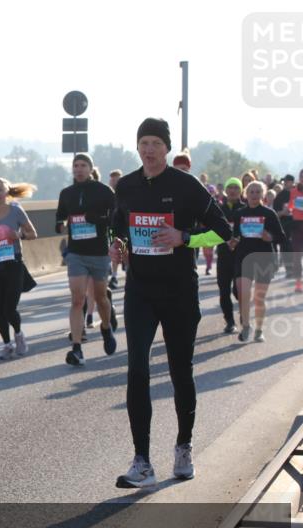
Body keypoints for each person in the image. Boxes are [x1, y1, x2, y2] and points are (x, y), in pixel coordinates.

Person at [109, 118, 231, 489]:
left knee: (180, 370)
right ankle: (142, 460)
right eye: (143, 143)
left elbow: (223, 231)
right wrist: (118, 244)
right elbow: (117, 227)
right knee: (137, 371)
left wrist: (184, 237)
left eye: (155, 143)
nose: (149, 150)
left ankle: (183, 446)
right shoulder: (127, 186)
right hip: (140, 291)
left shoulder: (186, 185)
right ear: (138, 147)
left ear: (166, 147)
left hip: (179, 290)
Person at [56, 153, 117, 366]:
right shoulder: (67, 193)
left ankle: (106, 328)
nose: (79, 169)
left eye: (83, 165)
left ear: (91, 168)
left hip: (99, 252)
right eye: (76, 165)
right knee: (77, 299)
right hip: (76, 253)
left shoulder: (103, 191)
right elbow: (59, 218)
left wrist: (98, 219)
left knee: (101, 298)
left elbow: (116, 216)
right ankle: (76, 348)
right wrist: (62, 224)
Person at [0, 178, 38, 360]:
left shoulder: (16, 211)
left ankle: (18, 335)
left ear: (6, 192)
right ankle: (6, 344)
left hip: (13, 264)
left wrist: (17, 235)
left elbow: (33, 234)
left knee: (9, 308)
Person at [232, 181, 285, 342]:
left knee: (259, 298)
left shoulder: (269, 214)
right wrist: (233, 242)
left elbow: (281, 236)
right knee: (243, 293)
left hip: (264, 257)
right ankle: (246, 326)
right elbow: (235, 235)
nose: (254, 195)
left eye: (257, 192)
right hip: (244, 257)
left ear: (263, 195)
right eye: (251, 192)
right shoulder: (240, 214)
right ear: (246, 194)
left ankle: (259, 330)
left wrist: (270, 237)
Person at [216, 178, 244, 333]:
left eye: (236, 188)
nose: (233, 190)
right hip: (223, 254)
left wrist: (239, 239)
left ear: (240, 191)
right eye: (230, 187)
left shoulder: (245, 209)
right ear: (226, 190)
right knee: (224, 290)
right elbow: (213, 228)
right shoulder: (219, 209)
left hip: (241, 255)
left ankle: (243, 315)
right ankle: (230, 321)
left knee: (238, 289)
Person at [287, 168, 303, 292]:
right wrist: (288, 208)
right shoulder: (294, 191)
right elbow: (291, 205)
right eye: (301, 176)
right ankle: (298, 283)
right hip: (296, 225)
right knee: (297, 255)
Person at [274, 175, 295, 278]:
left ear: (292, 182)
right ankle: (289, 270)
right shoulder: (280, 196)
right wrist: (282, 212)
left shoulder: (297, 193)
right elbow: (275, 213)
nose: (285, 183)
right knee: (286, 247)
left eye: (288, 181)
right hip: (284, 224)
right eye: (284, 181)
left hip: (297, 224)